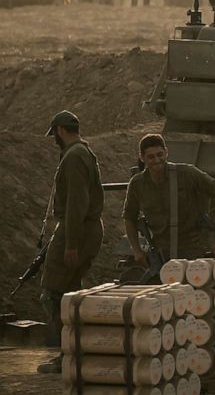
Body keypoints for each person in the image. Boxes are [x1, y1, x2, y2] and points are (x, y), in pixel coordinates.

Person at [37, 111, 104, 374]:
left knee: (52, 294)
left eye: (54, 133)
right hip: (84, 229)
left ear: (61, 130)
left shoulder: (74, 156)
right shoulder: (82, 153)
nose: (54, 139)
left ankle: (67, 355)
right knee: (69, 292)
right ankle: (77, 352)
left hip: (76, 230)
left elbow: (77, 203)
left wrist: (71, 243)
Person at [122, 134, 215, 265]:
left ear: (166, 152)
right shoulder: (137, 184)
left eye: (160, 154)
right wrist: (136, 250)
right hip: (160, 252)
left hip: (194, 248)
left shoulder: (188, 174)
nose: (157, 160)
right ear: (142, 158)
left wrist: (212, 237)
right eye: (150, 157)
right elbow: (129, 217)